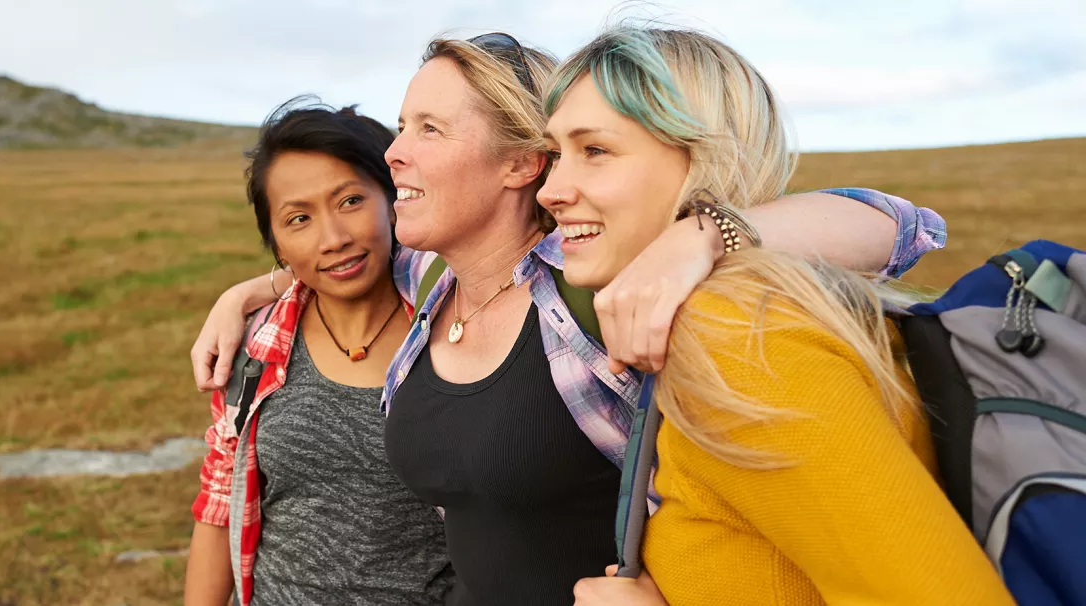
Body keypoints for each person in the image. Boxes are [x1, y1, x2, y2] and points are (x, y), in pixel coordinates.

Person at [191, 33, 945, 605]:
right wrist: (251, 291)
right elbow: (337, 256)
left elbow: (902, 225)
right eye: (400, 125)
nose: (391, 154)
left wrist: (700, 233)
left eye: (429, 129)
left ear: (520, 164)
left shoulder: (595, 285)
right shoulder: (430, 279)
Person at [542, 26, 1015, 606]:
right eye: (555, 155)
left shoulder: (739, 335)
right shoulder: (721, 316)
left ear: (704, 156)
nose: (552, 188)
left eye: (595, 151)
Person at [182, 99, 452, 606]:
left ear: (393, 199)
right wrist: (242, 296)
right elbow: (219, 507)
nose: (333, 239)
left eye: (350, 201)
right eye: (299, 218)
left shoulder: (458, 327)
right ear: (278, 245)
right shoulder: (255, 346)